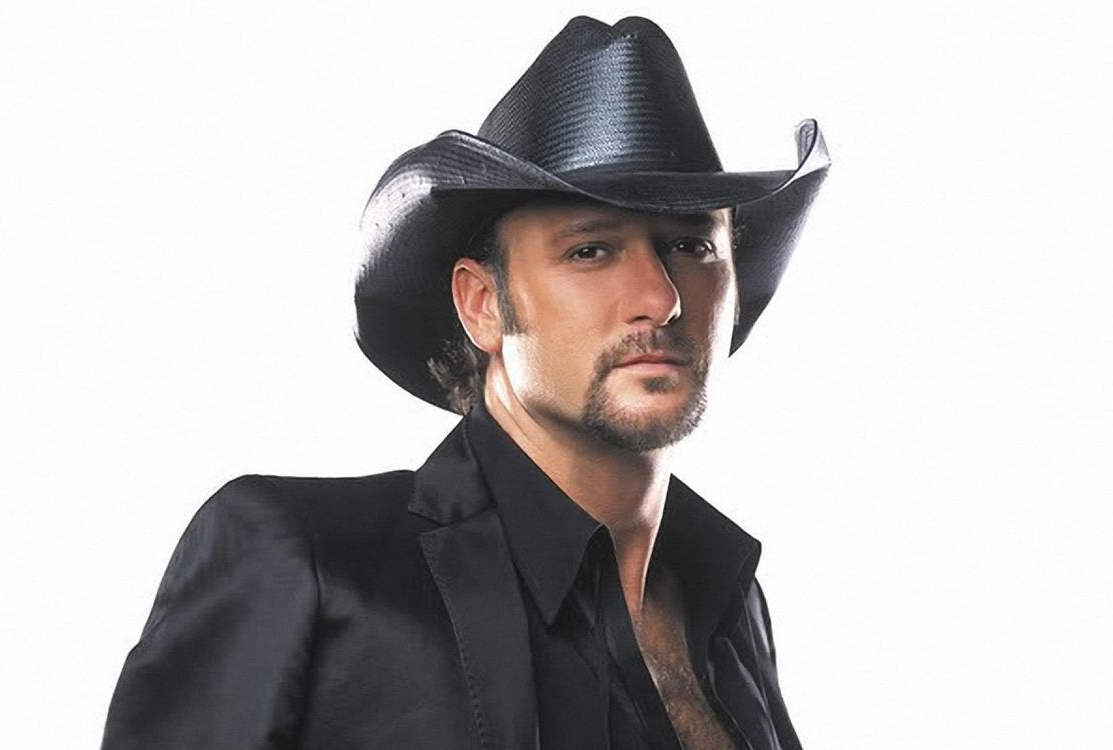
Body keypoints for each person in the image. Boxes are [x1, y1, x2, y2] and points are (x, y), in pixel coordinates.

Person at [101, 15, 829, 750]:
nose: (660, 297)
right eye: (591, 250)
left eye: (691, 244)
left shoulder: (728, 604)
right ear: (483, 304)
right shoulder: (306, 560)